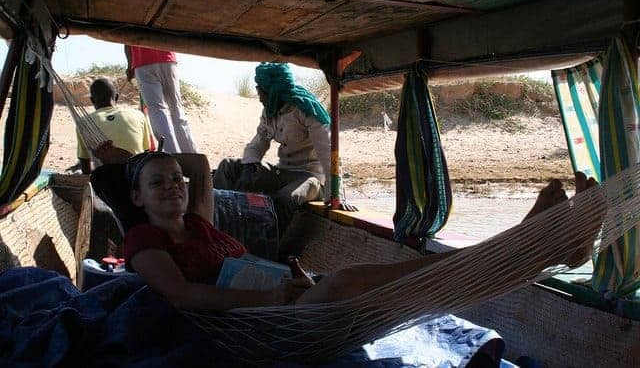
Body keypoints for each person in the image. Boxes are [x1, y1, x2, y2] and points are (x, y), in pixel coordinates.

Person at [93, 143, 602, 311]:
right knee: (369, 279)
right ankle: (541, 244)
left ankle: (543, 245)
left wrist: (139, 161)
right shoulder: (144, 239)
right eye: (157, 184)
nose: (175, 187)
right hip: (258, 324)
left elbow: (201, 163)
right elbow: (181, 295)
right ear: (135, 199)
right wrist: (270, 299)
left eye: (176, 181)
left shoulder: (198, 225)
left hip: (286, 299)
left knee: (422, 275)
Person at [214, 62, 349, 229]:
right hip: (283, 172)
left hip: (310, 178)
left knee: (284, 200)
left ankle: (273, 246)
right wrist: (249, 167)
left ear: (273, 89)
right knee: (228, 166)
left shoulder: (307, 110)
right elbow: (258, 143)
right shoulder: (269, 111)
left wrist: (336, 194)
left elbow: (328, 155)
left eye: (260, 89)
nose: (258, 94)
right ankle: (218, 223)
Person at [124, 45, 197, 154]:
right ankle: (191, 154)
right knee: (176, 108)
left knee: (157, 110)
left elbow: (127, 42)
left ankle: (172, 153)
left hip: (142, 62)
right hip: (166, 58)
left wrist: (130, 66)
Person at [76, 78, 153, 174]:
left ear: (92, 100)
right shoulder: (138, 115)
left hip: (108, 178)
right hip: (136, 173)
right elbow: (146, 152)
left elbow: (85, 167)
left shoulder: (84, 122)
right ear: (116, 97)